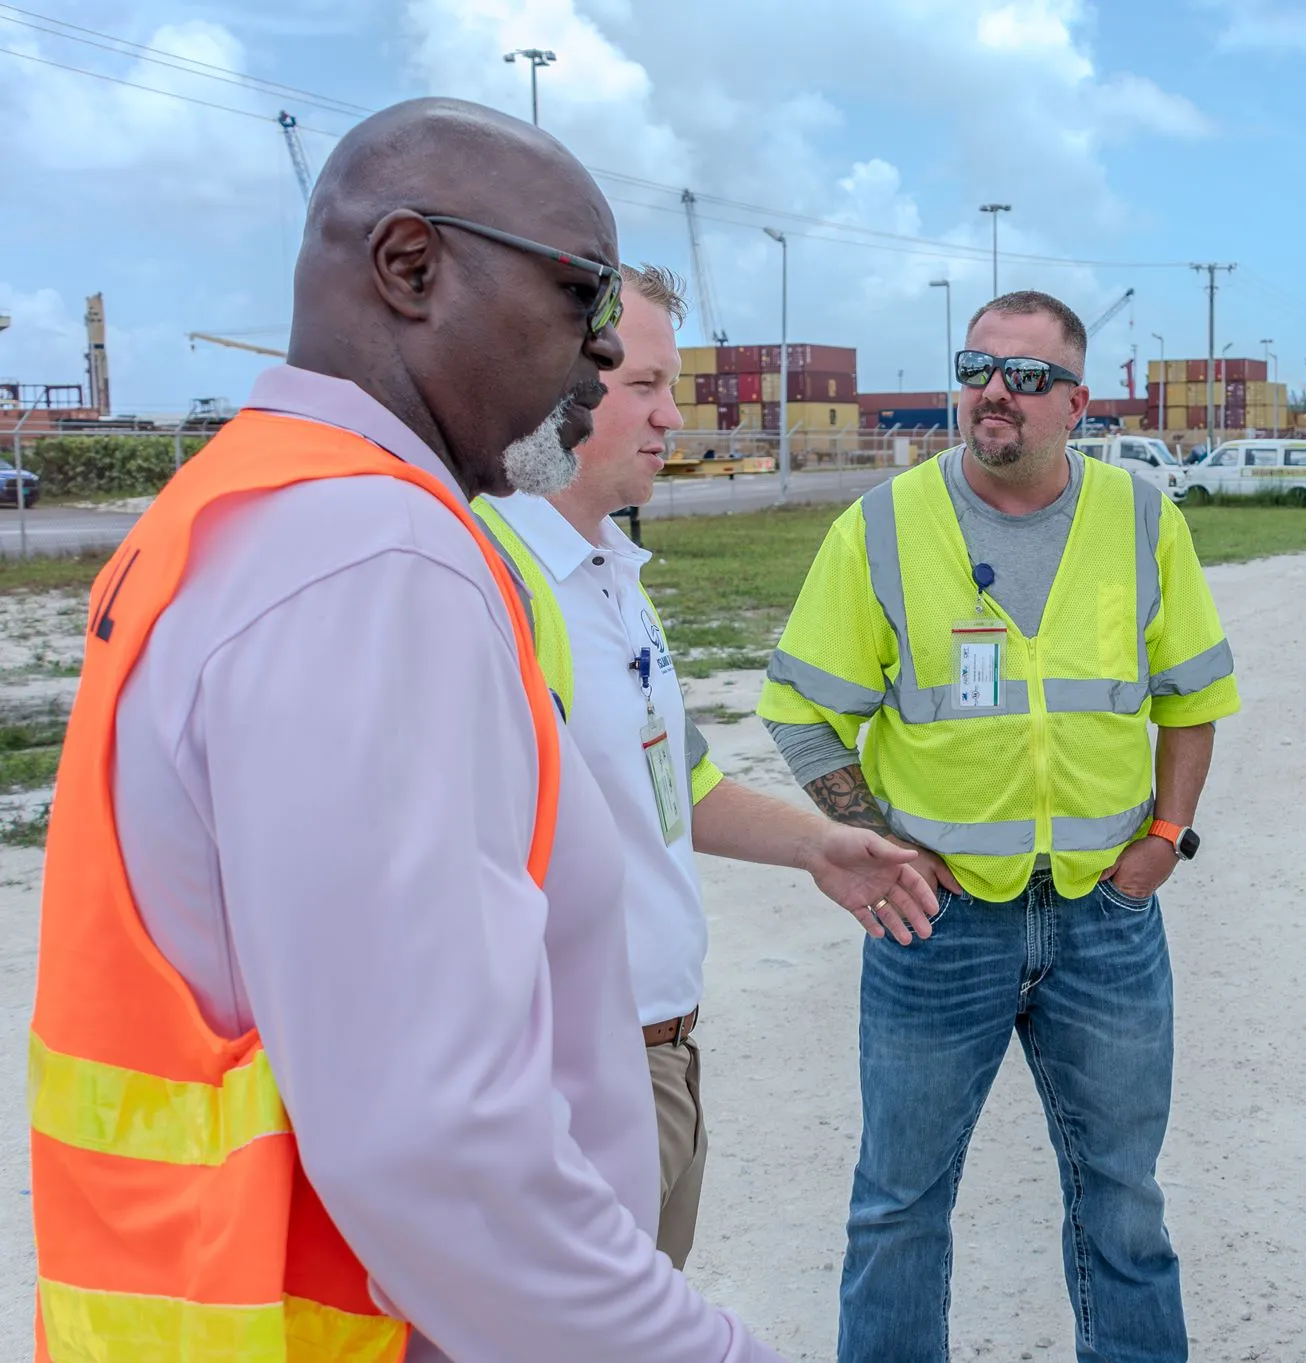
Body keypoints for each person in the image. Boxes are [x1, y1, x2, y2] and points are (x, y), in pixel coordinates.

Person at [27, 99, 780, 1361]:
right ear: (410, 266)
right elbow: (435, 1142)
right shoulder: (372, 557)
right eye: (580, 297)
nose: (600, 361)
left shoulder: (240, 505)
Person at [758, 290, 1239, 1362]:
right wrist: (877, 847)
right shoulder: (881, 525)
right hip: (937, 929)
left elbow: (1191, 694)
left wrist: (1164, 836)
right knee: (896, 1208)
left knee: (1123, 1201)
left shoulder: (1141, 516)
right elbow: (799, 707)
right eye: (976, 366)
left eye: (1024, 377)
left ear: (1077, 402)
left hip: (1102, 922)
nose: (993, 392)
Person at [474, 263, 938, 1269]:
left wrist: (821, 844)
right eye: (643, 386)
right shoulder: (491, 586)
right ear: (559, 382)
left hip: (662, 1056)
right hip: (572, 1074)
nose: (672, 418)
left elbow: (674, 788)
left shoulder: (605, 575)